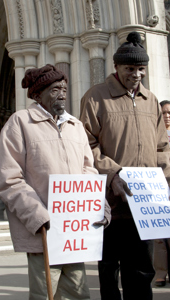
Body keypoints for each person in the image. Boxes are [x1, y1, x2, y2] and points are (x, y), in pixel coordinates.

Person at [0, 64, 110, 300]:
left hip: (73, 231)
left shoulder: (76, 126)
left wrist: (98, 205)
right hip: (43, 233)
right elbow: (9, 179)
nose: (63, 94)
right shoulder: (20, 123)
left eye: (65, 89)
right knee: (45, 294)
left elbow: (89, 171)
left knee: (78, 293)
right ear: (38, 94)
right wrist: (38, 217)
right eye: (56, 89)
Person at [79, 31, 170, 300]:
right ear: (117, 67)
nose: (137, 74)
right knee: (109, 272)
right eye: (130, 68)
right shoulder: (95, 97)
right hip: (110, 204)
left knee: (142, 272)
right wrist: (113, 174)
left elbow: (161, 148)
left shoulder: (151, 100)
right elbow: (86, 145)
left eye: (141, 68)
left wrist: (165, 185)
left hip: (144, 207)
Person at [153, 101, 170, 287]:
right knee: (159, 234)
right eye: (163, 113)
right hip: (158, 188)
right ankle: (160, 273)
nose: (166, 116)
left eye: (169, 112)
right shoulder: (155, 136)